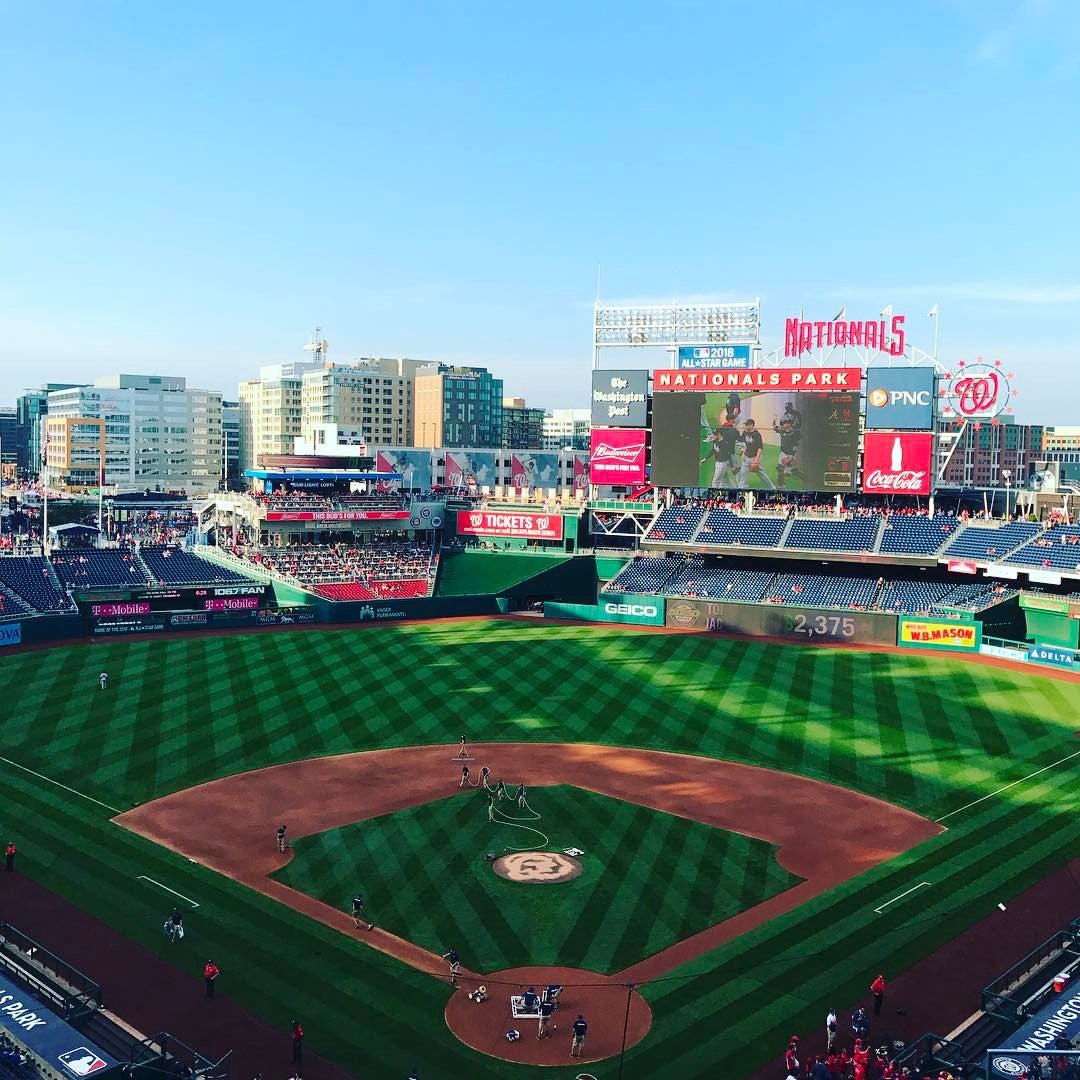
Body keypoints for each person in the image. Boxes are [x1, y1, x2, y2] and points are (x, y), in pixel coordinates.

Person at [737, 419, 775, 490]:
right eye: (745, 424)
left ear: (751, 425)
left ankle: (772, 487)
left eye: (747, 425)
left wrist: (757, 460)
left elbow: (760, 448)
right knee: (743, 474)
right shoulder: (745, 433)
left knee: (761, 473)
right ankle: (740, 489)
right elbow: (745, 444)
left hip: (754, 457)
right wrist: (743, 453)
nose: (745, 426)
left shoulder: (757, 434)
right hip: (746, 457)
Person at [700, 424, 738, 489]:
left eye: (715, 434)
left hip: (722, 464)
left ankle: (713, 495)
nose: (714, 435)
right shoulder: (716, 441)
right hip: (718, 463)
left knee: (715, 481)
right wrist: (705, 459)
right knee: (726, 479)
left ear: (719, 434)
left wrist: (732, 466)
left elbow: (728, 455)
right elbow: (712, 451)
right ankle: (735, 489)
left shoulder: (724, 443)